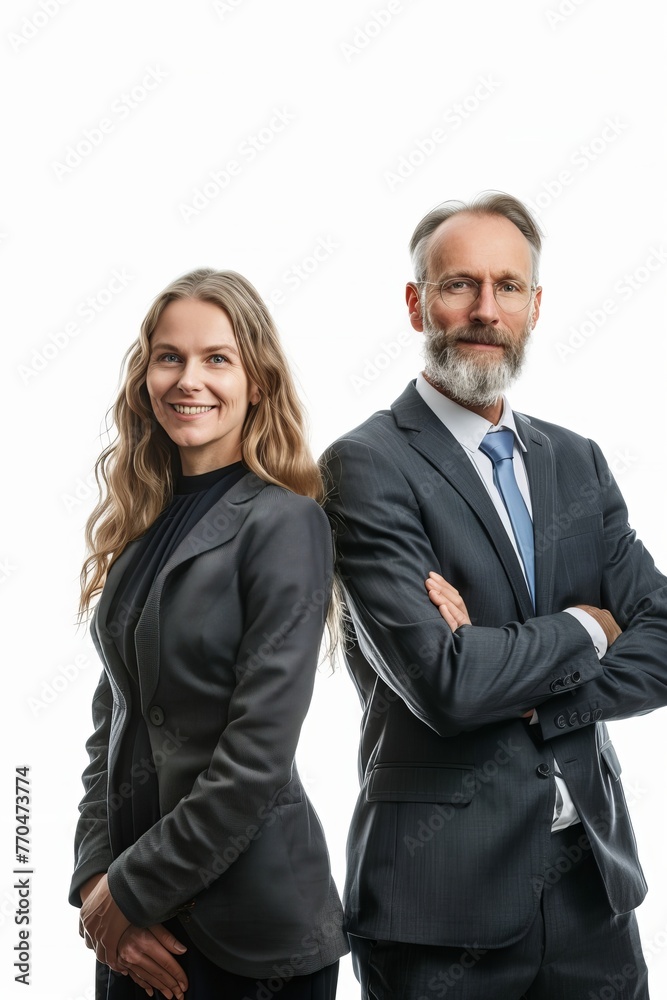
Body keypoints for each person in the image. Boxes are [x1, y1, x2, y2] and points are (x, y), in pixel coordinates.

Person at [321, 193, 667, 998]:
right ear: (415, 302)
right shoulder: (365, 466)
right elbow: (447, 684)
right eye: (458, 285)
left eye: (508, 287)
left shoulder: (574, 461)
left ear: (535, 306)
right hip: (438, 904)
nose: (485, 310)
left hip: (592, 895)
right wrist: (587, 624)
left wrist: (531, 691)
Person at [70, 268, 348, 999]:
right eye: (169, 357)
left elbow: (254, 760)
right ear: (146, 376)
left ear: (256, 381)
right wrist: (97, 881)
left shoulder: (286, 523)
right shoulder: (141, 530)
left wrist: (127, 891)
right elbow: (113, 727)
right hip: (136, 937)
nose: (188, 378)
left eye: (216, 358)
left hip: (258, 939)